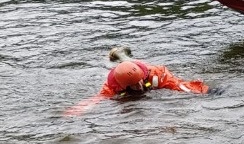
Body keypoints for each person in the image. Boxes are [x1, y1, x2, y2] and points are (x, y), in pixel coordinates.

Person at [65, 45, 209, 116]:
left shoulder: (156, 74)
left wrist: (206, 92)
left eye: (139, 81)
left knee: (130, 62)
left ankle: (121, 54)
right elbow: (95, 99)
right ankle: (118, 55)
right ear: (124, 86)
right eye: (134, 85)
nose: (139, 86)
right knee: (116, 64)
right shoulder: (113, 86)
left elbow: (180, 85)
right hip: (125, 71)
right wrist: (74, 112)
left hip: (141, 67)